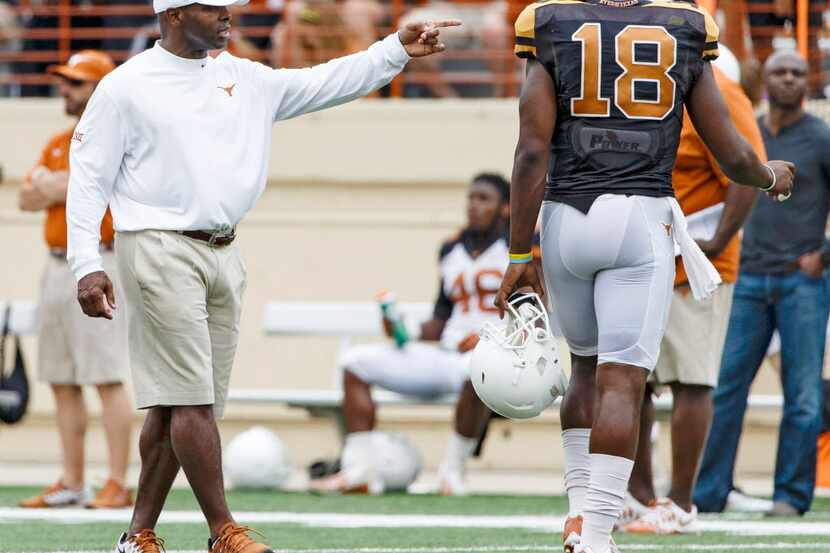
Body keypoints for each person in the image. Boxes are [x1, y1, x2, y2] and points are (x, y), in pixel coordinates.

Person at [65, 1, 459, 552]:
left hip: (224, 250)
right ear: (175, 15)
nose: (229, 17)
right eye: (214, 8)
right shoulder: (125, 86)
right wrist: (87, 264)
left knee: (179, 403)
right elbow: (87, 178)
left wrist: (394, 51)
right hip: (156, 245)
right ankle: (223, 530)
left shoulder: (242, 76)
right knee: (192, 400)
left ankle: (137, 536)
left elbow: (323, 82)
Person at [495, 1, 795, 553]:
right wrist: (769, 175)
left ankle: (579, 513)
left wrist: (518, 256)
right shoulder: (684, 28)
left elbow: (531, 150)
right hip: (639, 215)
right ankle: (599, 531)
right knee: (623, 381)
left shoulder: (549, 21)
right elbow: (730, 153)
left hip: (566, 217)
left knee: (584, 370)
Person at [620, 63, 767, 535]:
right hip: (641, 257)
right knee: (632, 379)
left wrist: (718, 243)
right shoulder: (647, 83)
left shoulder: (721, 89)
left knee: (691, 379)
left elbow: (748, 169)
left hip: (693, 262)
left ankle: (681, 502)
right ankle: (640, 496)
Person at [310, 173, 513, 496]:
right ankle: (360, 469)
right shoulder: (451, 248)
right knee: (355, 363)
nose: (473, 206)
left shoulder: (521, 246)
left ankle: (452, 471)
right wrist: (404, 329)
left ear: (506, 207)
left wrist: (494, 339)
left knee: (479, 367)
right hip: (448, 355)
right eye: (470, 198)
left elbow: (534, 309)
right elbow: (440, 320)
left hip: (494, 357)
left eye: (483, 199)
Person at [694, 51, 830, 518]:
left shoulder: (822, 138)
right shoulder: (745, 128)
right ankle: (707, 495)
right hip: (746, 277)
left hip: (803, 282)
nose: (788, 79)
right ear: (765, 80)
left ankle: (790, 498)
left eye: (796, 72)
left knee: (804, 394)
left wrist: (825, 254)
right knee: (724, 389)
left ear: (808, 83)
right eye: (779, 72)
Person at [17, 50, 133, 510]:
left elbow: (86, 186)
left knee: (105, 375)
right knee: (62, 378)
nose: (65, 90)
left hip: (101, 261)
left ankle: (119, 481)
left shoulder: (118, 136)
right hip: (55, 264)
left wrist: (57, 183)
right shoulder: (58, 141)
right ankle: (72, 479)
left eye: (76, 83)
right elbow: (28, 196)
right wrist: (68, 181)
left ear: (100, 89)